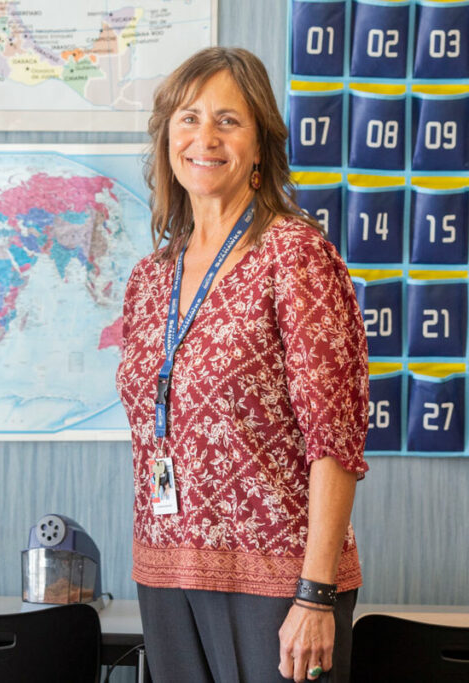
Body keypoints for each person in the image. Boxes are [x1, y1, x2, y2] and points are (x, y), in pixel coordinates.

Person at [117, 47, 369, 683]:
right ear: (166, 137)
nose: (205, 137)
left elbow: (334, 439)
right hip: (165, 572)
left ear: (260, 146)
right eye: (189, 118)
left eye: (228, 121)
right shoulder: (150, 279)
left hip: (280, 583)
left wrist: (316, 594)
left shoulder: (296, 256)